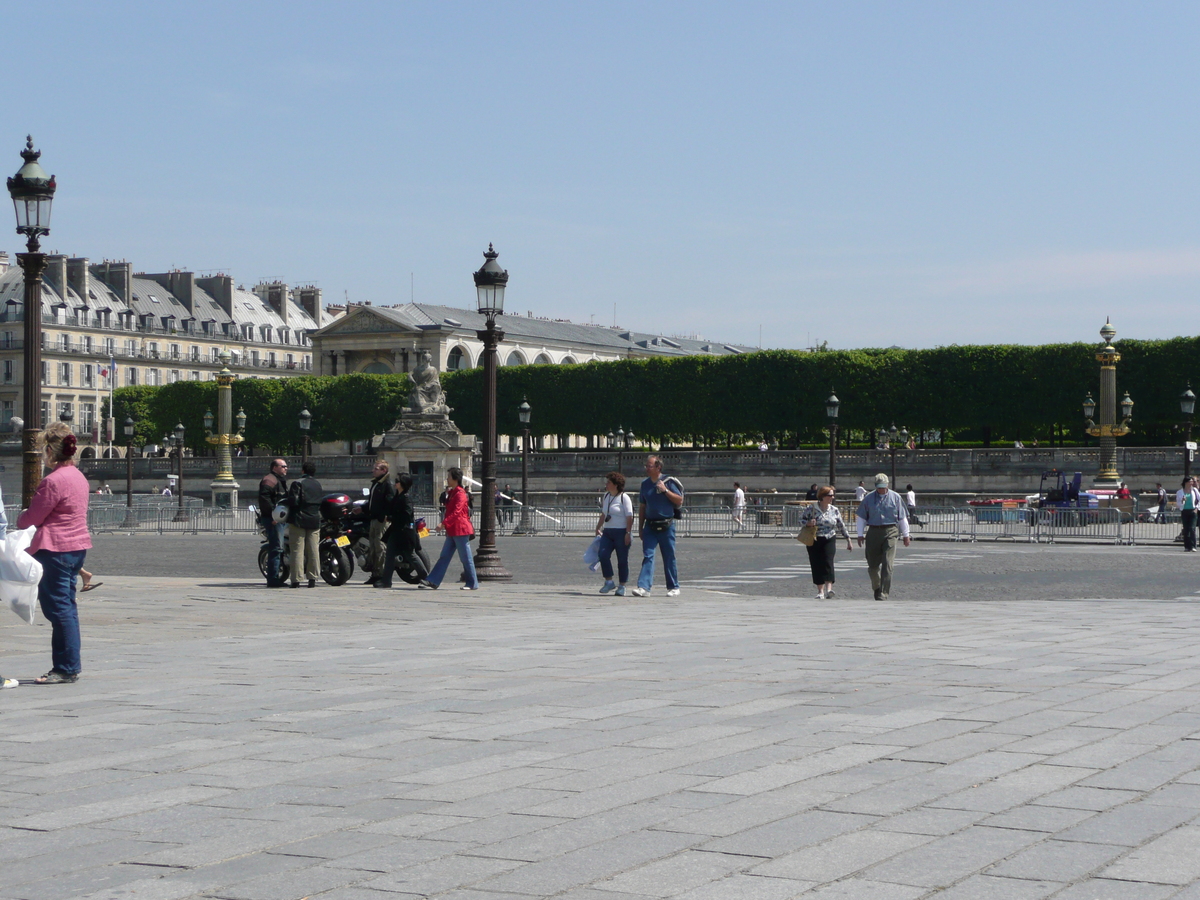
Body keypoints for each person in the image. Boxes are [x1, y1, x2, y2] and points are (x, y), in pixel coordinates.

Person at [18, 423, 91, 684]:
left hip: (55, 549)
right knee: (67, 608)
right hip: (77, 547)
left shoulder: (53, 481)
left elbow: (32, 517)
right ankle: (69, 665)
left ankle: (65, 668)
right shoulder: (78, 476)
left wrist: (20, 518)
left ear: (50, 450)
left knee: (58, 610)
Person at [633, 455, 684, 597]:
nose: (646, 468)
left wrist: (665, 490)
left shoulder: (668, 481)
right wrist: (640, 527)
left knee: (669, 556)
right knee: (648, 555)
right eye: (646, 466)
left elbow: (679, 500)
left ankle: (674, 586)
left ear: (658, 467)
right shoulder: (645, 484)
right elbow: (642, 507)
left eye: (649, 466)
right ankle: (644, 587)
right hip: (650, 525)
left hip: (666, 524)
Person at [855, 473, 911, 601]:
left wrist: (906, 535)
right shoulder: (868, 498)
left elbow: (902, 518)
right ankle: (877, 587)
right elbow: (862, 518)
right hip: (873, 531)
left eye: (883, 487)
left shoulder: (895, 497)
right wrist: (859, 535)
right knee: (873, 565)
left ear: (887, 485)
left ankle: (884, 593)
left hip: (891, 530)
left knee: (887, 563)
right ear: (875, 486)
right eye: (879, 487)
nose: (881, 489)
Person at [421, 467, 478, 590]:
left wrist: (443, 524)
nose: (447, 479)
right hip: (453, 530)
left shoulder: (460, 494)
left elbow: (457, 512)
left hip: (461, 529)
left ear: (455, 478)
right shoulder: (453, 493)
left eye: (449, 476)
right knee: (445, 556)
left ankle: (472, 583)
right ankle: (433, 580)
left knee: (465, 558)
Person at [376, 472, 429, 589]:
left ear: (403, 484)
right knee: (389, 555)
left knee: (410, 555)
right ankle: (386, 581)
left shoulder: (406, 498)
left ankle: (426, 577)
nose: (395, 483)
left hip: (405, 532)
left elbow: (406, 515)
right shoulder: (397, 496)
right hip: (395, 531)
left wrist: (390, 518)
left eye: (397, 481)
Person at [800, 485, 852, 599]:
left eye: (833, 495)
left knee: (828, 561)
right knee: (816, 563)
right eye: (830, 495)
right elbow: (801, 519)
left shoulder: (834, 510)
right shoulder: (811, 508)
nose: (832, 497)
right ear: (822, 496)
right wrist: (808, 523)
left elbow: (840, 525)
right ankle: (820, 591)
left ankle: (829, 589)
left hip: (829, 537)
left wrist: (848, 539)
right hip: (814, 538)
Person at [595, 471, 634, 596]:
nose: (606, 484)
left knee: (622, 560)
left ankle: (622, 585)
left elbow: (630, 516)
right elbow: (604, 514)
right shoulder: (606, 496)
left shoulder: (624, 498)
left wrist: (628, 532)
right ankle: (609, 581)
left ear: (616, 485)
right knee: (603, 554)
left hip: (621, 531)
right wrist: (598, 527)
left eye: (609, 482)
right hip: (608, 531)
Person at [286, 460, 322, 589]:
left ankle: (296, 579)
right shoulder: (317, 484)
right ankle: (313, 578)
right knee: (313, 549)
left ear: (302, 471)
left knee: (297, 549)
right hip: (314, 519)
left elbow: (294, 502)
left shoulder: (298, 483)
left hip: (299, 519)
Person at [257, 458, 289, 587]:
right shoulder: (269, 480)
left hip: (281, 518)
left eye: (286, 466)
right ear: (274, 467)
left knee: (278, 547)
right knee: (276, 548)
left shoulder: (278, 480)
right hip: (275, 519)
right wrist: (274, 516)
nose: (286, 468)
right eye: (283, 466)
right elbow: (264, 499)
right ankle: (273, 579)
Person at [364, 460, 394, 585]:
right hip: (374, 518)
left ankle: (381, 574)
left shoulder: (387, 484)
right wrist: (363, 509)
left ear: (384, 471)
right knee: (373, 546)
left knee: (380, 547)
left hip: (381, 520)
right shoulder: (376, 483)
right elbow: (372, 502)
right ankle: (375, 573)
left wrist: (384, 516)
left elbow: (389, 502)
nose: (373, 470)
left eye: (376, 469)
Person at [1178, 477, 1199, 552]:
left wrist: (1196, 508)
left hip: (1193, 511)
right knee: (1186, 529)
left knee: (1192, 528)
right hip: (1184, 511)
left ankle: (1193, 545)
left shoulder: (1195, 490)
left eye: (1192, 482)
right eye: (1190, 481)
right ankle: (1187, 546)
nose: (1192, 483)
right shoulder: (1180, 492)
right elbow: (1178, 504)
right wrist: (1182, 501)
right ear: (1186, 482)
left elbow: (1199, 500)